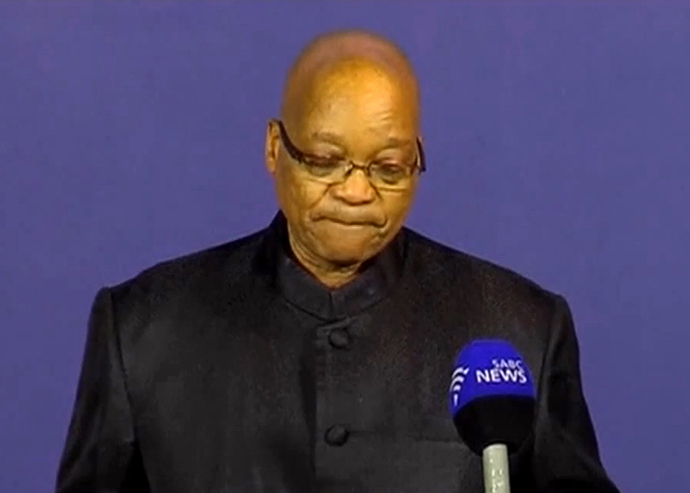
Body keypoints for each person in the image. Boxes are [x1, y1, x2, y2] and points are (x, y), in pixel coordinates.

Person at [56, 29, 620, 492]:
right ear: (275, 149)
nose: (356, 192)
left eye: (389, 168)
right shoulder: (142, 330)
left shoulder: (518, 328)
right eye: (325, 161)